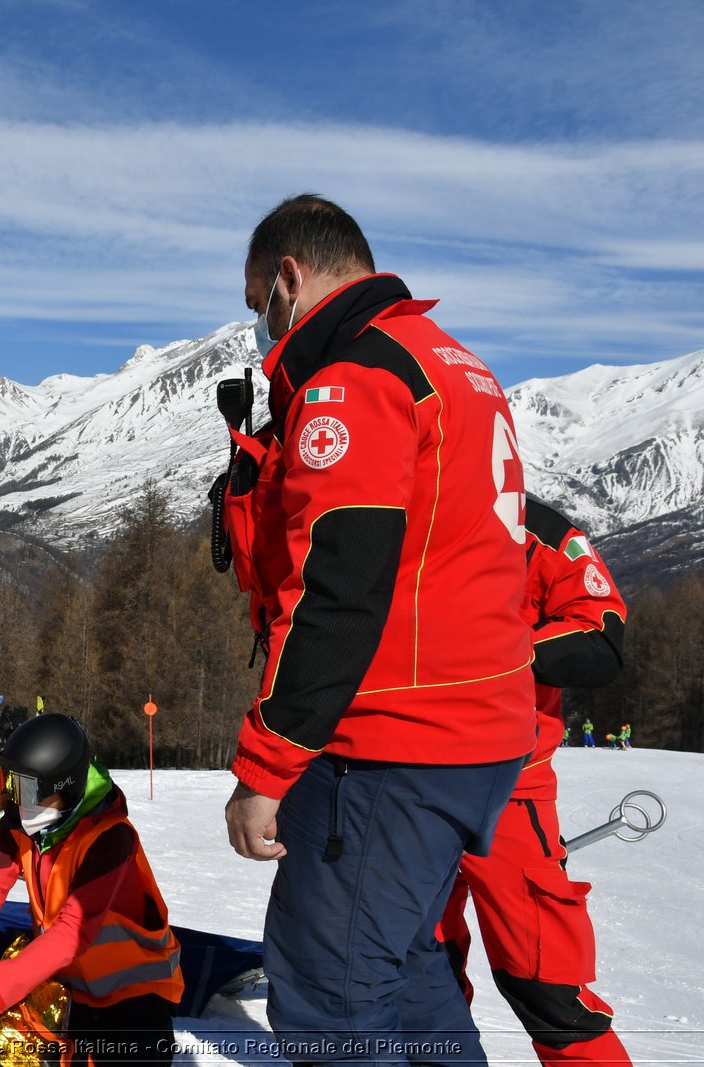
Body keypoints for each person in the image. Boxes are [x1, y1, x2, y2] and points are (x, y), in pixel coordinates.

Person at [218, 194, 536, 1064]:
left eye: (259, 308)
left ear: (290, 276)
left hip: (393, 744)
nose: (262, 331)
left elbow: (338, 588)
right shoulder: (452, 365)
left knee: (331, 995)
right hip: (478, 735)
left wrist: (268, 763)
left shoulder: (354, 379)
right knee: (403, 963)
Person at [440, 496, 631, 1065]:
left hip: (509, 783)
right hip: (388, 780)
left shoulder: (535, 528)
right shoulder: (378, 500)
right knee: (419, 967)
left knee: (544, 982)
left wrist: (490, 650)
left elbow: (602, 633)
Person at [0, 714, 182, 1065]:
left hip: (135, 995)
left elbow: (70, 934)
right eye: (9, 784)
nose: (14, 800)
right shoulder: (21, 825)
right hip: (70, 987)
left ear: (66, 789)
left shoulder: (111, 840)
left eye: (27, 790)